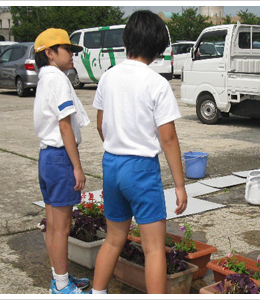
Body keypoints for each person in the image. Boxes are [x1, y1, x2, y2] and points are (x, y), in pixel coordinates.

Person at [90, 10, 188, 294]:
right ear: (158, 45)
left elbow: (101, 124)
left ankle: (97, 293)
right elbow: (168, 138)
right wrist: (180, 186)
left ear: (128, 39)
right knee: (154, 249)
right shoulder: (156, 83)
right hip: (141, 169)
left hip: (112, 164)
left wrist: (117, 146)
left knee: (113, 239)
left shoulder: (108, 77)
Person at [33, 28, 90, 294]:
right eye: (67, 50)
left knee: (53, 225)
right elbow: (65, 125)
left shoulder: (46, 78)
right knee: (61, 227)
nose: (72, 55)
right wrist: (77, 166)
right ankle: (62, 286)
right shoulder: (57, 79)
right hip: (59, 158)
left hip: (47, 157)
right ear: (50, 53)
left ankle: (59, 278)